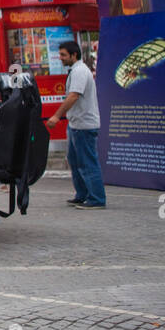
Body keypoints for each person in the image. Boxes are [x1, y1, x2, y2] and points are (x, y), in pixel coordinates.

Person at [47, 41, 105, 209]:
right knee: (75, 160)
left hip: (84, 125)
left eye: (64, 55)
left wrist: (57, 116)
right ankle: (82, 194)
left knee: (87, 162)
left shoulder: (80, 71)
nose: (61, 58)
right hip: (75, 124)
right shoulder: (76, 70)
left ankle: (96, 199)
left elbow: (73, 96)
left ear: (74, 55)